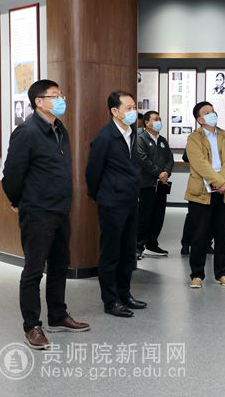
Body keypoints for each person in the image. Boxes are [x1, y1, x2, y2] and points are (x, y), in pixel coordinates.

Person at [2, 79, 90, 350]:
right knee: (34, 269)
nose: (61, 100)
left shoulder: (59, 129)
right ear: (39, 102)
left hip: (60, 208)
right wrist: (17, 200)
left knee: (60, 264)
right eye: (54, 96)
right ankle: (32, 325)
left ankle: (57, 315)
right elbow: (12, 174)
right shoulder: (26, 132)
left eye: (61, 95)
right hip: (37, 211)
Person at [86, 91, 146, 318]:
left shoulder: (132, 133)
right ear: (115, 111)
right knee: (111, 253)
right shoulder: (105, 137)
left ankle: (124, 294)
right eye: (128, 108)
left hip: (130, 200)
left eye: (134, 107)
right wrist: (98, 195)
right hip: (112, 202)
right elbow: (93, 171)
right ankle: (110, 301)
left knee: (128, 252)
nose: (133, 112)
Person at [185, 101, 225, 288]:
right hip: (201, 191)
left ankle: (222, 273)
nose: (212, 113)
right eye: (207, 112)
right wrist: (218, 181)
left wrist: (223, 182)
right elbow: (199, 163)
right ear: (200, 119)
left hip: (224, 191)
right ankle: (197, 274)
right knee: (199, 235)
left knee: (222, 234)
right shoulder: (194, 138)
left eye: (213, 110)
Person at [136, 110, 174, 259]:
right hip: (146, 184)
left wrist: (166, 173)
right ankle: (138, 247)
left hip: (161, 184)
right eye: (155, 119)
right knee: (144, 216)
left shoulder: (163, 140)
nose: (159, 121)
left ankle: (152, 244)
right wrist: (159, 172)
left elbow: (170, 159)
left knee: (158, 216)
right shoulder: (141, 139)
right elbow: (142, 159)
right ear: (147, 123)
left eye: (159, 119)